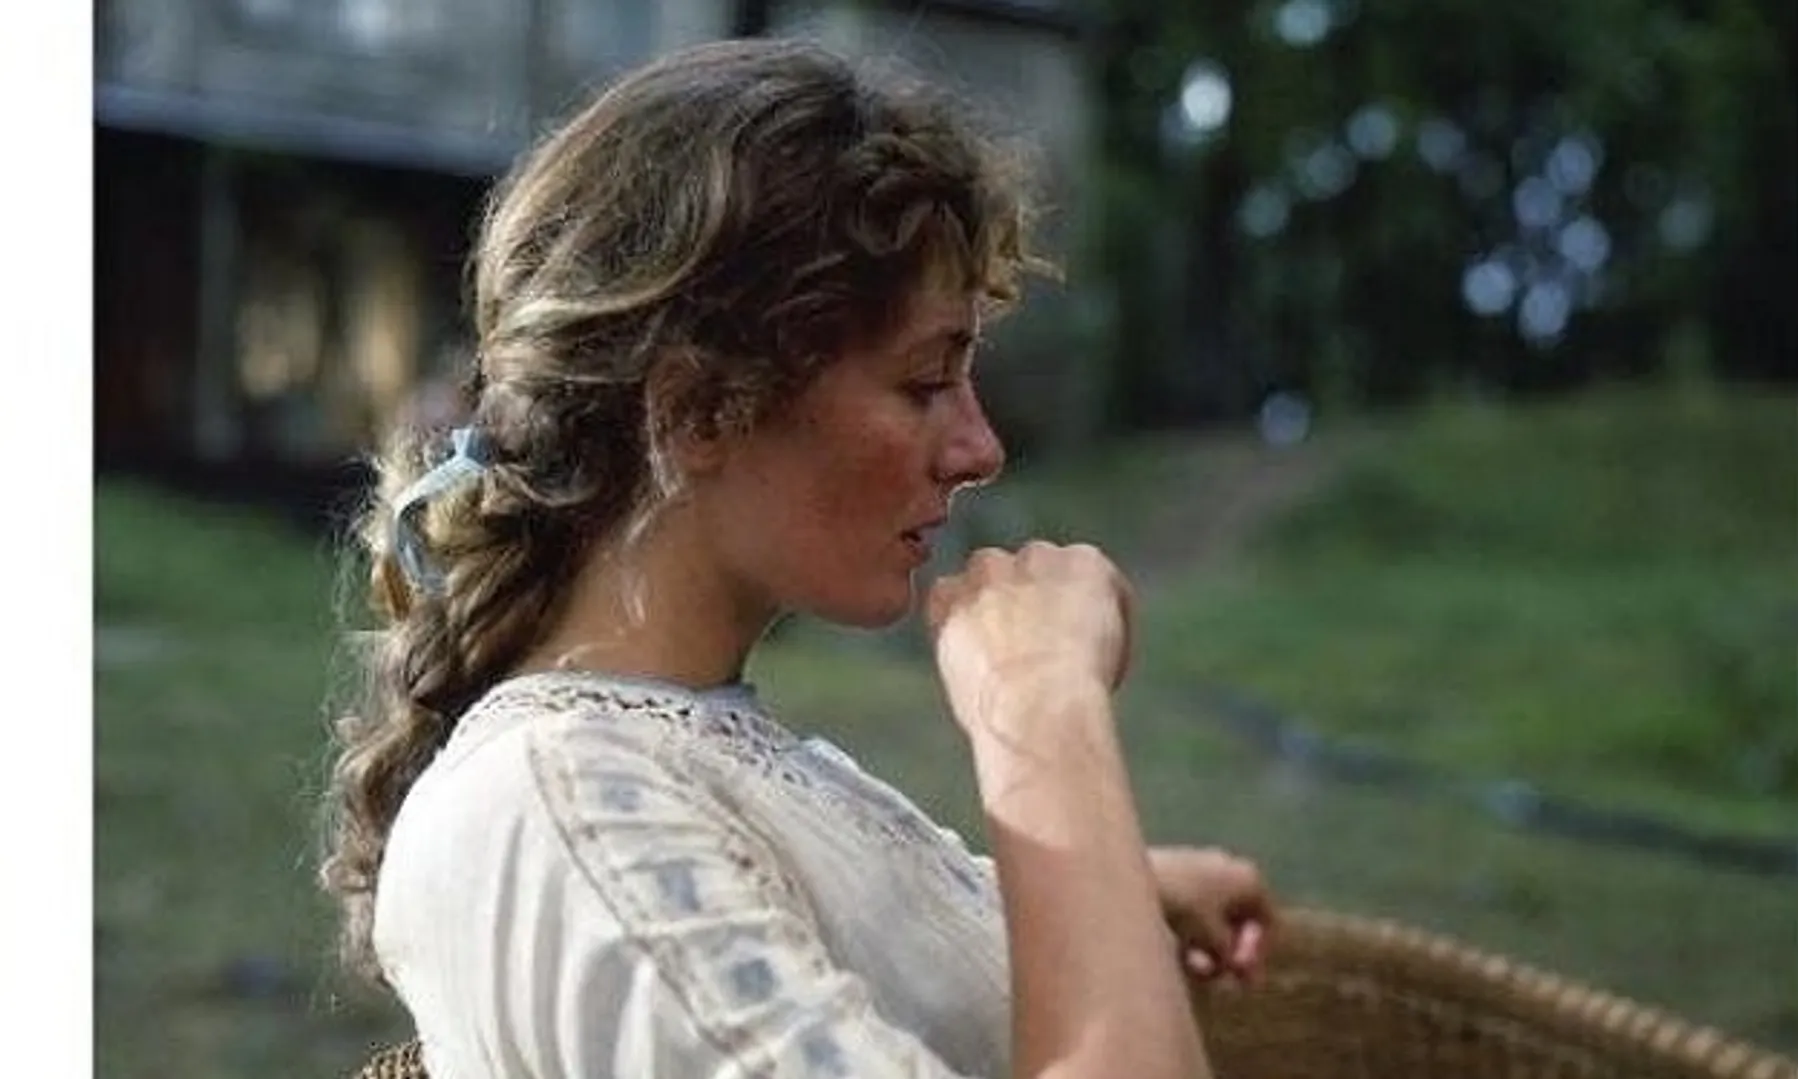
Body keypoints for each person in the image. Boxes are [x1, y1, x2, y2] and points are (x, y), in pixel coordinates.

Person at [320, 37, 1279, 1079]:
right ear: (695, 411)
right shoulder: (564, 807)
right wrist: (1040, 715)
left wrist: (1094, 890)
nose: (979, 449)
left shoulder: (660, 768)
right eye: (925, 382)